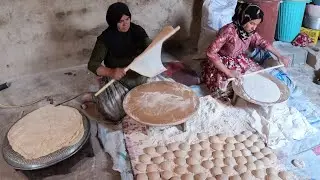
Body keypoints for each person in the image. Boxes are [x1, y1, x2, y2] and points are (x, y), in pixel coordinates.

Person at [201, 2, 290, 98]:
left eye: (256, 24)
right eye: (252, 23)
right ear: (243, 18)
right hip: (223, 63)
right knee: (228, 89)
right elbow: (211, 53)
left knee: (255, 78)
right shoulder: (228, 31)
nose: (254, 27)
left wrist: (280, 56)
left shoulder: (249, 32)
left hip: (238, 59)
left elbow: (263, 42)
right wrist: (228, 72)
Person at [87, 2, 151, 123]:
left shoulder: (138, 31)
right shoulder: (105, 39)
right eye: (120, 21)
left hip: (141, 75)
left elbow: (151, 47)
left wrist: (150, 52)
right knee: (113, 112)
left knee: (161, 96)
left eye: (127, 19)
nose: (125, 23)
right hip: (119, 79)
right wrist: (111, 72)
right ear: (113, 22)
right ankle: (96, 97)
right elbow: (92, 64)